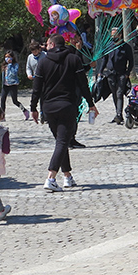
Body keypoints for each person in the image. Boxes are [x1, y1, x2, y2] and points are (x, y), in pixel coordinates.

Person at [30, 34, 98, 192]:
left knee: (61, 141)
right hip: (67, 105)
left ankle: (67, 177)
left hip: (49, 107)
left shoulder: (43, 62)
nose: (45, 46)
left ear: (52, 45)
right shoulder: (73, 59)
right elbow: (83, 84)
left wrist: (33, 108)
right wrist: (90, 103)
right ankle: (51, 178)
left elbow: (36, 88)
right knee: (62, 142)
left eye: (47, 44)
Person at [99, 28, 134, 124]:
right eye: (112, 35)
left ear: (120, 35)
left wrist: (127, 73)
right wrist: (100, 71)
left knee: (119, 93)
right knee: (114, 93)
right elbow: (104, 59)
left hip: (121, 74)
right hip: (110, 74)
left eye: (115, 35)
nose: (113, 37)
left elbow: (131, 61)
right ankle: (118, 114)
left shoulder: (126, 47)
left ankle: (119, 114)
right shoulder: (108, 45)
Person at [1, 50, 29, 120]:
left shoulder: (15, 65)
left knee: (15, 101)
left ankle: (25, 110)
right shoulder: (4, 65)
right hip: (5, 85)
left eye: (9, 57)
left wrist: (10, 65)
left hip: (13, 84)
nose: (7, 58)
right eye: (6, 57)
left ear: (12, 57)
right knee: (2, 100)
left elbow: (14, 73)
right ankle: (2, 116)